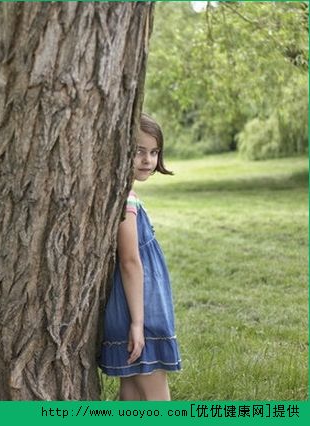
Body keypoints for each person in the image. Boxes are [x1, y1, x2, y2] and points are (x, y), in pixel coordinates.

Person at [100, 113, 181, 400]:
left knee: (132, 394)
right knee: (157, 398)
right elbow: (130, 261)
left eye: (154, 152)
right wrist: (138, 323)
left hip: (129, 309)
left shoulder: (121, 194)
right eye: (139, 151)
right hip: (141, 311)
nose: (148, 160)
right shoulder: (127, 199)